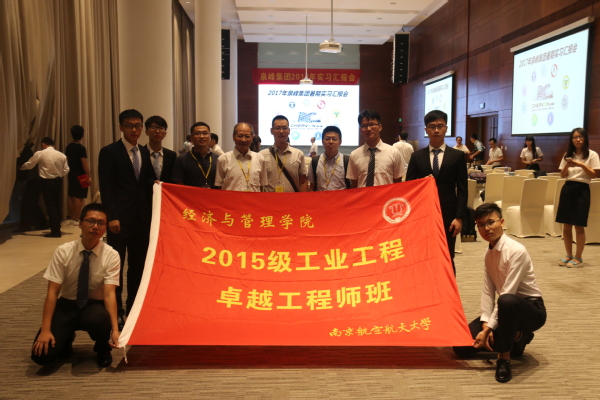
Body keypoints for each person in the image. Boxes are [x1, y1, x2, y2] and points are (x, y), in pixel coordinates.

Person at [452, 203, 546, 383]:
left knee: (507, 300)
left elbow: (508, 292)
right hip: (504, 310)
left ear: (502, 222)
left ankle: (504, 357)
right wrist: (485, 324)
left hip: (530, 310)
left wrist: (490, 329)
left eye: (491, 222)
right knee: (460, 347)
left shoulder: (517, 251)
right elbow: (488, 290)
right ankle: (517, 338)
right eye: (481, 225)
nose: (486, 228)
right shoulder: (489, 254)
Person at [30, 203, 120, 368]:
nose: (95, 226)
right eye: (90, 221)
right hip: (67, 304)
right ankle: (66, 338)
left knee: (100, 319)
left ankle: (102, 348)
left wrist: (115, 330)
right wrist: (45, 330)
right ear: (80, 223)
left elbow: (109, 295)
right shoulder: (63, 251)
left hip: (94, 305)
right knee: (41, 357)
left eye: (101, 223)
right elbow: (52, 292)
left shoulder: (112, 255)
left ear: (105, 228)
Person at [98, 109, 156, 328]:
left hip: (142, 220)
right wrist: (112, 217)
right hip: (119, 221)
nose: (134, 130)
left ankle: (133, 310)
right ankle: (116, 312)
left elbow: (146, 180)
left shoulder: (144, 151)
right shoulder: (109, 152)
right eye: (130, 125)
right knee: (116, 267)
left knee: (138, 267)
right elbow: (107, 187)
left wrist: (157, 184)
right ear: (121, 127)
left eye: (138, 125)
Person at [406, 110, 467, 273]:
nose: (436, 130)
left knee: (447, 255)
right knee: (423, 254)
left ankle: (449, 288)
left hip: (448, 215)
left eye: (440, 126)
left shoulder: (457, 156)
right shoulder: (416, 156)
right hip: (422, 215)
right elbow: (409, 188)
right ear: (426, 130)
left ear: (446, 128)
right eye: (432, 127)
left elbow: (462, 189)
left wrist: (459, 217)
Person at [556, 128, 600, 267]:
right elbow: (563, 175)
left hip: (582, 190)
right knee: (566, 225)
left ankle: (578, 257)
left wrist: (581, 164)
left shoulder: (592, 155)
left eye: (580, 137)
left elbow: (594, 175)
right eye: (575, 137)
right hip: (568, 188)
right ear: (572, 140)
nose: (578, 139)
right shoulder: (567, 155)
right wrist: (567, 165)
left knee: (579, 226)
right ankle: (568, 255)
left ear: (585, 139)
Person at [20, 137, 70, 238]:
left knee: (50, 206)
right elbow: (66, 170)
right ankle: (57, 227)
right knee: (57, 204)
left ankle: (55, 231)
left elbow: (30, 165)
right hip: (58, 181)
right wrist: (58, 173)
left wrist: (20, 167)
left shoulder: (40, 153)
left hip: (46, 181)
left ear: (43, 144)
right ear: (53, 145)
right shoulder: (62, 155)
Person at [347, 110, 404, 188]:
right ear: (360, 130)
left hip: (386, 195)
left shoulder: (394, 152)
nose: (368, 129)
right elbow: (354, 185)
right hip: (364, 195)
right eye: (364, 125)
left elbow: (397, 183)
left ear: (380, 127)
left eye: (372, 124)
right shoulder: (354, 155)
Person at [259, 115, 308, 192]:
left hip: (292, 198)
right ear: (271, 131)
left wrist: (302, 198)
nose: (281, 131)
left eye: (284, 128)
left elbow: (303, 181)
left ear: (289, 131)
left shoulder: (298, 154)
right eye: (277, 128)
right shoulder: (262, 155)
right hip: (270, 199)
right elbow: (259, 182)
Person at [215, 122, 268, 192]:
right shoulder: (223, 159)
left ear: (252, 137)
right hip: (231, 199)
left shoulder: (260, 159)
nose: (243, 139)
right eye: (240, 136)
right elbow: (219, 186)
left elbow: (262, 186)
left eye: (247, 136)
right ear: (233, 137)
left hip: (253, 199)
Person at [172, 122, 220, 188]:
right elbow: (178, 186)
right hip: (189, 195)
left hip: (213, 194)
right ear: (191, 138)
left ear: (210, 137)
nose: (201, 136)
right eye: (197, 133)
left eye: (205, 133)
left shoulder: (218, 159)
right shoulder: (182, 159)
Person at [15, 140, 49, 233]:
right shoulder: (29, 151)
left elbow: (27, 166)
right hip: (36, 179)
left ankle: (27, 225)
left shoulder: (25, 152)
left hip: (31, 180)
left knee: (27, 203)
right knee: (32, 203)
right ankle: (42, 223)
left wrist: (20, 168)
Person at [308, 126, 350, 191]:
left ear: (340, 142)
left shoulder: (347, 161)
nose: (331, 142)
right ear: (322, 141)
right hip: (321, 197)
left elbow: (352, 186)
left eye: (334, 139)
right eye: (327, 139)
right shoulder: (315, 161)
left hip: (342, 197)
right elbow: (312, 186)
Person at [65, 125, 91, 224]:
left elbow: (66, 160)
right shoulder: (81, 148)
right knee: (80, 196)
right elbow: (84, 162)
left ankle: (72, 216)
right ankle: (77, 218)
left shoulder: (68, 147)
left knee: (71, 195)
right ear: (82, 135)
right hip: (81, 174)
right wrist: (89, 175)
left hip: (71, 173)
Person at [144, 116, 177, 184]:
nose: (157, 131)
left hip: (165, 190)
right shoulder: (140, 153)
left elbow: (173, 178)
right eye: (153, 127)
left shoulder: (171, 155)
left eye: (161, 128)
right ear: (146, 132)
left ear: (165, 133)